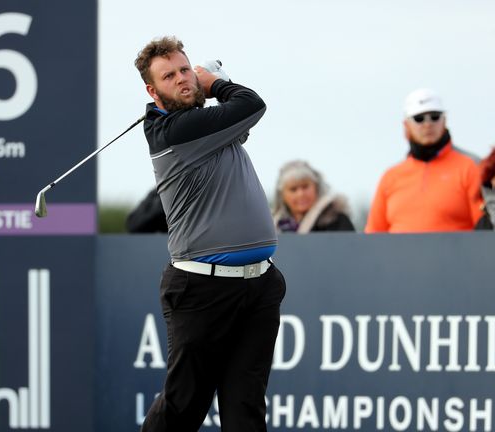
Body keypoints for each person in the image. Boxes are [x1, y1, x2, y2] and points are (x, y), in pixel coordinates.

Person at [134, 36, 286, 432]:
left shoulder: (207, 128)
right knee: (185, 405)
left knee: (245, 407)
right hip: (202, 288)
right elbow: (252, 105)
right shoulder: (173, 131)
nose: (183, 79)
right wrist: (214, 82)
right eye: (170, 76)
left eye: (186, 70)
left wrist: (209, 88)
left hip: (258, 285)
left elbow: (240, 123)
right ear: (152, 91)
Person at [365, 88, 482, 233]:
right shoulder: (391, 176)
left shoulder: (470, 167)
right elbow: (373, 235)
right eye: (419, 118)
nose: (428, 124)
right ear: (406, 125)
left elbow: (484, 229)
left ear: (444, 120)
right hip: (400, 255)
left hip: (456, 255)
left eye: (435, 116)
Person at [272, 160, 355, 232]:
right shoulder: (274, 228)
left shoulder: (337, 221)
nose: (300, 194)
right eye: (293, 189)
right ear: (282, 195)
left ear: (317, 187)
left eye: (305, 187)